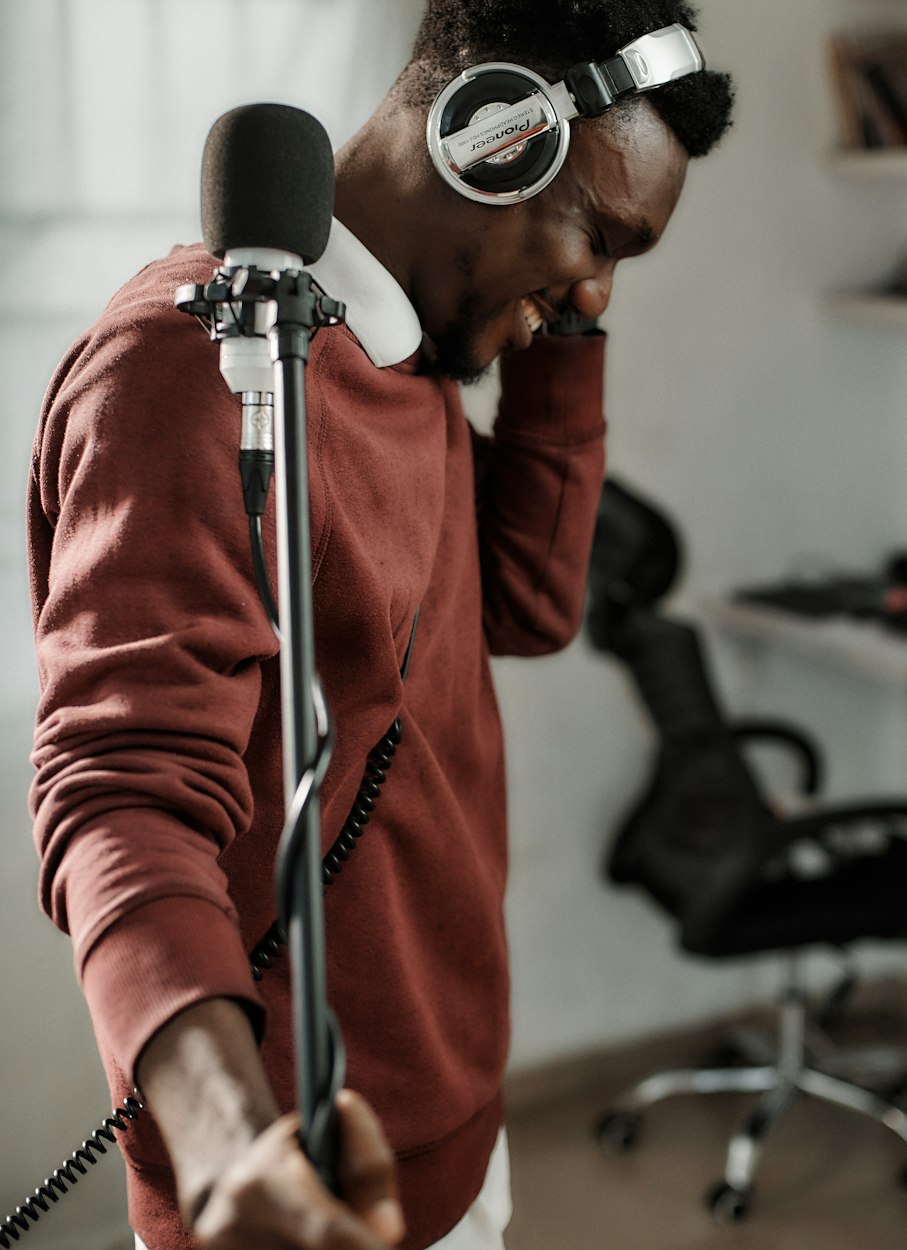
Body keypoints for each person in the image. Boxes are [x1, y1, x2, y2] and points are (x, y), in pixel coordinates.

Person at [26, 2, 733, 1248]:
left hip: (451, 1101)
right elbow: (122, 790)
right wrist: (229, 1146)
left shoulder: (399, 357)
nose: (596, 289)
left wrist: (559, 326)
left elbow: (525, 606)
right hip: (292, 1174)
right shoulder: (203, 367)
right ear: (484, 135)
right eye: (600, 236)